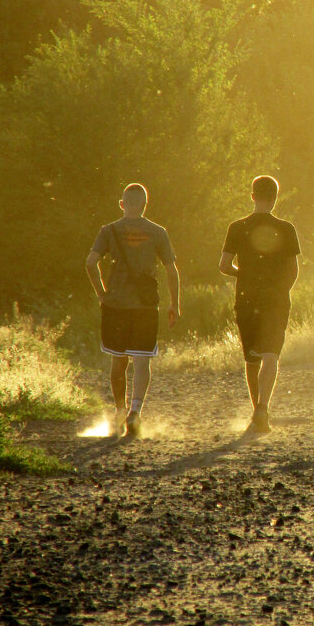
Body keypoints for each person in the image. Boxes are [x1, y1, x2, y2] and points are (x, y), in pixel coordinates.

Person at [86, 183, 180, 438]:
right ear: (145, 205)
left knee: (119, 359)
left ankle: (119, 410)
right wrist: (175, 304)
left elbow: (90, 262)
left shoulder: (109, 231)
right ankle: (135, 411)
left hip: (115, 304)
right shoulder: (158, 232)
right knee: (142, 360)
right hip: (146, 306)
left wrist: (101, 294)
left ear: (122, 204)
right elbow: (172, 270)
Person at [219, 175, 300, 432]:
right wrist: (280, 291)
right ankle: (263, 408)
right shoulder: (287, 228)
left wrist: (241, 274)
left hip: (246, 299)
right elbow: (293, 270)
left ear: (252, 196)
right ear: (275, 198)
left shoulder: (236, 227)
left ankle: (258, 412)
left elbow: (223, 265)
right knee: (271, 355)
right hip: (275, 300)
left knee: (252, 359)